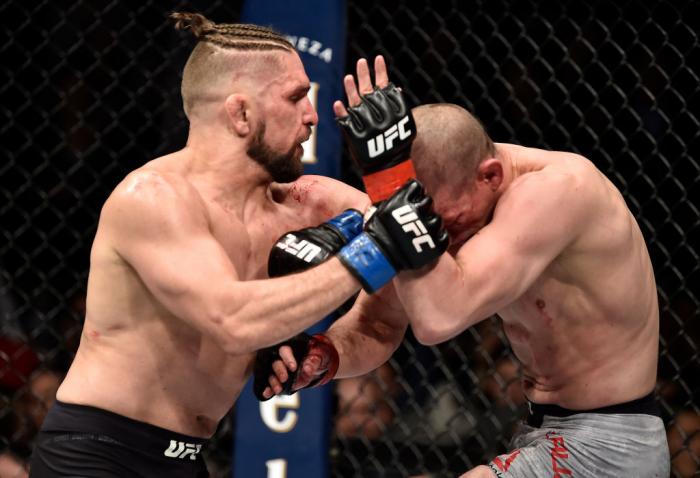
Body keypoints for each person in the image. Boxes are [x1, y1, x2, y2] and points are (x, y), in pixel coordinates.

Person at [28, 13, 448, 477]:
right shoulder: (153, 198)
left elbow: (419, 281)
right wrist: (372, 253)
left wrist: (325, 355)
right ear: (241, 113)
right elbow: (232, 320)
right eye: (295, 98)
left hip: (187, 460)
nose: (313, 113)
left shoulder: (311, 202)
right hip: (97, 454)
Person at [259, 56, 670, 477]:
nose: (444, 241)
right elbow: (378, 324)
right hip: (544, 432)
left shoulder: (559, 191)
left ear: (490, 176)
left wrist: (390, 188)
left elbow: (439, 317)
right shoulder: (437, 213)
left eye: (451, 224)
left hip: (610, 444)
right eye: (430, 224)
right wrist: (324, 356)